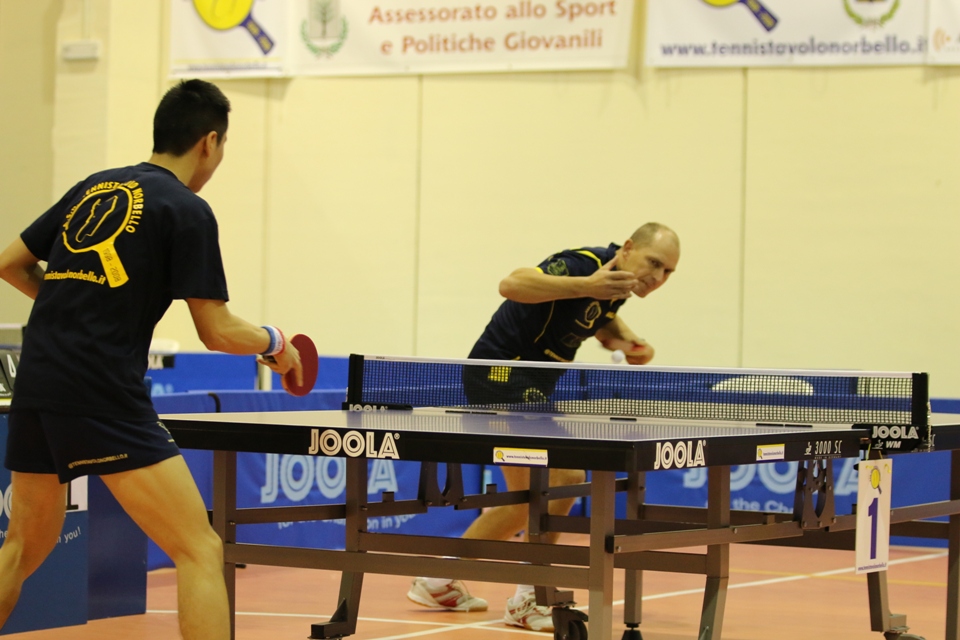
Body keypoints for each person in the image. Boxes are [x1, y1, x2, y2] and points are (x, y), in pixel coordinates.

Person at [0, 79, 302, 640]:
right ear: (209, 142)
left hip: (38, 380)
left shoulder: (93, 188)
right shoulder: (186, 209)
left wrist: (77, 306)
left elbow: (10, 264)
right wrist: (275, 344)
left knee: (22, 546)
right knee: (198, 548)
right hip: (100, 391)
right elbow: (217, 331)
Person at [405, 222, 680, 632]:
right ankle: (531, 596)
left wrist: (627, 341)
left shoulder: (616, 287)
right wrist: (586, 283)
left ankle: (437, 578)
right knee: (565, 477)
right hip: (502, 374)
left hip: (530, 385)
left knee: (524, 502)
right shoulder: (584, 264)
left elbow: (598, 322)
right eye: (654, 263)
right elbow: (512, 284)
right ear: (626, 248)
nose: (657, 277)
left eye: (668, 272)